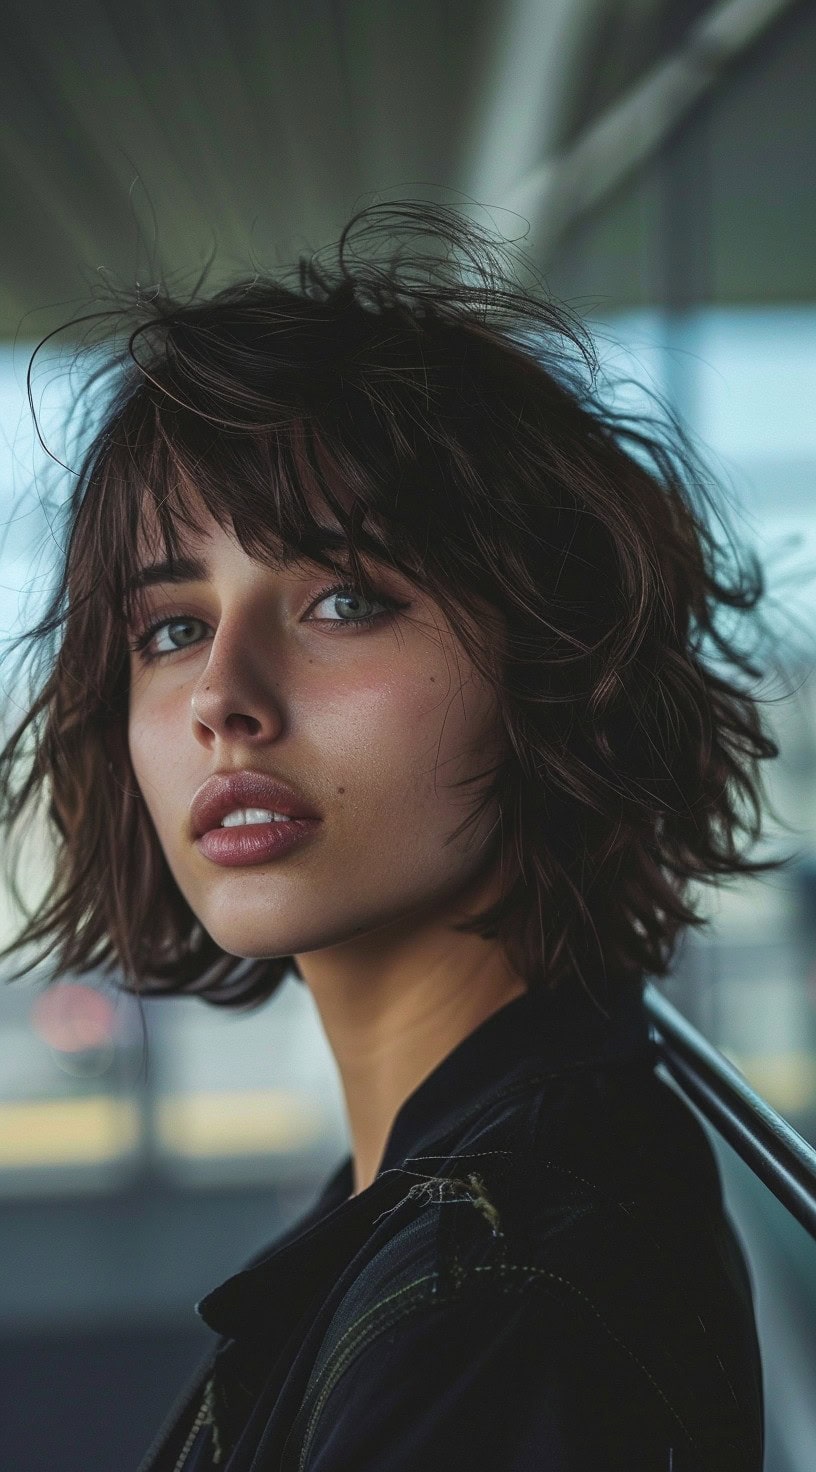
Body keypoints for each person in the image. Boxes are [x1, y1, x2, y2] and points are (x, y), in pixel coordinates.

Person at [0, 199, 791, 1469]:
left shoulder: (493, 1299)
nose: (221, 698)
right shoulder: (453, 1201)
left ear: (551, 658)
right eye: (171, 627)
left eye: (343, 597)